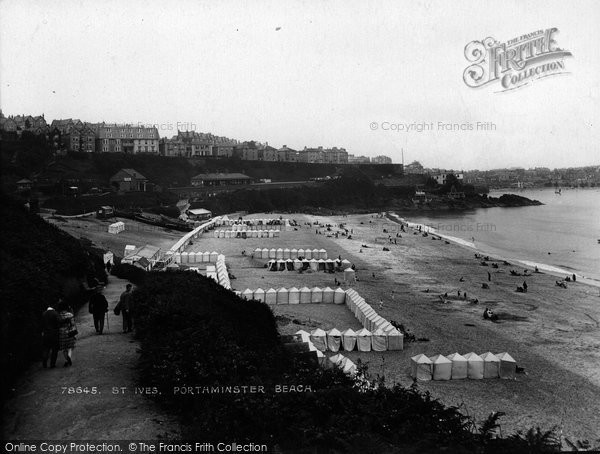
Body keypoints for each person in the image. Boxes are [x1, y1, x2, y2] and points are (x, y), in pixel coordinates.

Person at [41, 301, 61, 368]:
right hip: (54, 334)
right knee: (54, 350)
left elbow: (42, 325)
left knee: (46, 349)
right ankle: (52, 364)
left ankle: (44, 362)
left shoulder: (44, 314)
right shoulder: (55, 313)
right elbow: (59, 322)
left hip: (45, 334)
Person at [57, 300, 76, 367]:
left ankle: (67, 360)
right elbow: (73, 324)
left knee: (64, 349)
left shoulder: (58, 316)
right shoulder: (70, 315)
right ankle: (68, 358)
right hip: (69, 332)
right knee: (70, 347)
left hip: (61, 333)